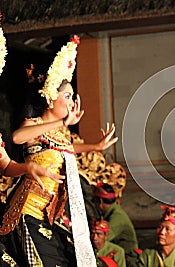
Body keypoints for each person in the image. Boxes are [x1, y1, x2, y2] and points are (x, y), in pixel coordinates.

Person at [0, 35, 118, 267]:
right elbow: (17, 137)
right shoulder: (33, 124)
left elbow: (66, 148)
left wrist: (96, 146)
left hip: (48, 215)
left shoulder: (59, 136)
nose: (73, 101)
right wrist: (61, 124)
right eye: (67, 96)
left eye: (73, 96)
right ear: (50, 97)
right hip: (27, 212)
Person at [94, 183, 139, 267]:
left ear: (100, 201)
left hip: (127, 260)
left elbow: (100, 241)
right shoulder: (111, 213)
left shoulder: (117, 217)